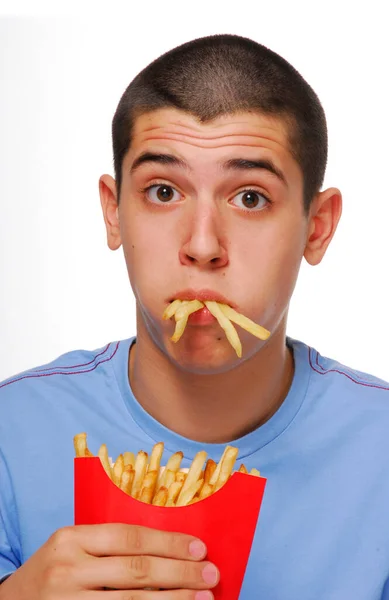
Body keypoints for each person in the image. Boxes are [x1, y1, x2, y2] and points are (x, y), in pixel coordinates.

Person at [0, 32, 388, 600]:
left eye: (250, 197)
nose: (203, 245)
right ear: (114, 213)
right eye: (162, 191)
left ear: (317, 226)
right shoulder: (12, 431)